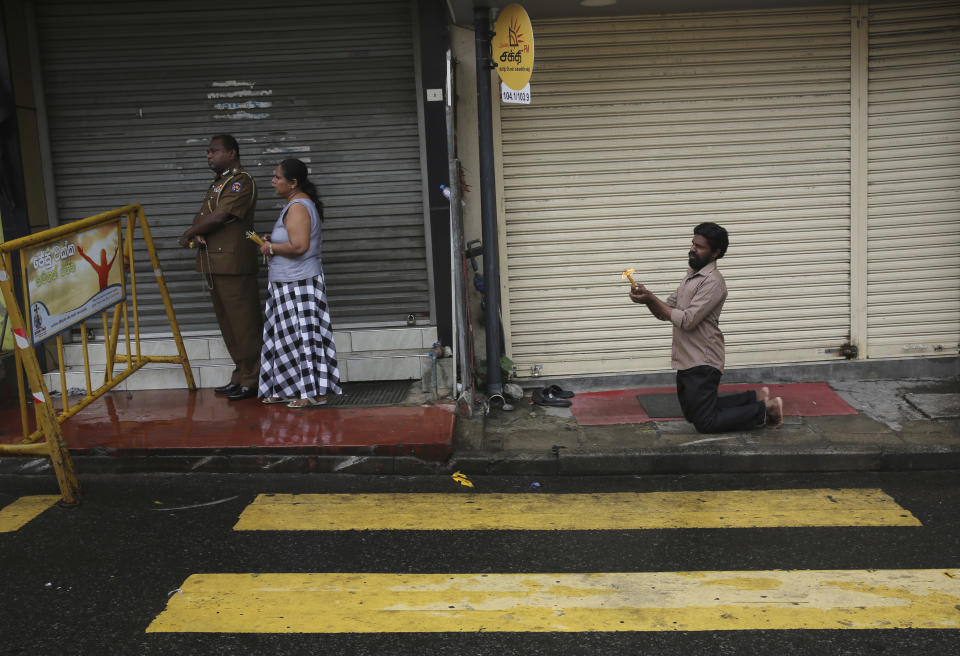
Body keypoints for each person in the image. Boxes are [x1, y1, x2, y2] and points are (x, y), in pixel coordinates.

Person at [629, 222, 783, 432]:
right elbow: (665, 311)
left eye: (699, 246)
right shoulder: (691, 277)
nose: (692, 249)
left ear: (715, 253)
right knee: (695, 414)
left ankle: (768, 409)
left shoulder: (713, 283)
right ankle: (755, 397)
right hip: (687, 357)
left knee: (705, 422)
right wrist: (647, 300)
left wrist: (652, 298)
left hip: (704, 359)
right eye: (693, 244)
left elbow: (687, 321)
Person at [178, 134, 262, 401]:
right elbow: (204, 215)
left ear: (232, 153)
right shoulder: (219, 183)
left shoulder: (241, 182)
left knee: (244, 324)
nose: (208, 155)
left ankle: (255, 377)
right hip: (215, 262)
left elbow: (221, 215)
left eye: (213, 151)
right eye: (207, 151)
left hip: (233, 264)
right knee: (228, 325)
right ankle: (240, 374)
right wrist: (199, 230)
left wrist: (190, 233)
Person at [257, 158, 342, 408]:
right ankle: (290, 389)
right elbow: (293, 238)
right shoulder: (295, 205)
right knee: (288, 338)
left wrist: (271, 247)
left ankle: (309, 393)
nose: (274, 181)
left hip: (298, 284)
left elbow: (299, 246)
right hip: (288, 283)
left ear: (293, 183)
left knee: (302, 337)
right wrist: (274, 239)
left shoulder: (298, 207)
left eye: (278, 177)